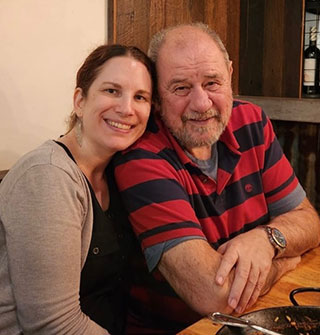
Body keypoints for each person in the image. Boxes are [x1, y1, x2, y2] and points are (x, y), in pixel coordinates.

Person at [113, 23, 320, 334]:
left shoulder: (250, 120)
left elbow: (310, 221)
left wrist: (266, 240)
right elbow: (215, 296)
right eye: (181, 87)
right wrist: (285, 259)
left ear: (230, 74)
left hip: (256, 316)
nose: (201, 104)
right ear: (156, 95)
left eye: (212, 83)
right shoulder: (141, 158)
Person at [0, 44, 155, 334]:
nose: (126, 108)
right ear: (80, 101)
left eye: (140, 97)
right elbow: (52, 325)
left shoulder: (118, 172)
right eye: (111, 91)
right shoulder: (47, 176)